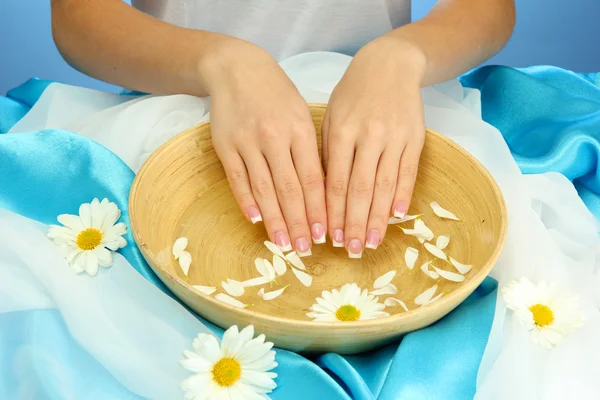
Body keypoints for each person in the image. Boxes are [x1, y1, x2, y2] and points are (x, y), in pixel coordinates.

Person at [49, 0, 516, 259]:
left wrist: (401, 57)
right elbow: (79, 17)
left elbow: (489, 8)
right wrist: (222, 63)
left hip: (384, 110)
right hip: (177, 105)